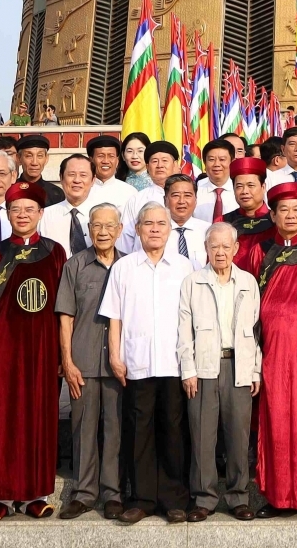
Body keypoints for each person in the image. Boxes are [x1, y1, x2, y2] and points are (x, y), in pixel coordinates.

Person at [0, 183, 67, 520]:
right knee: (2, 421)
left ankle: (35, 494)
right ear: (7, 213)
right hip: (3, 353)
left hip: (42, 353)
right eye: (16, 209)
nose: (22, 215)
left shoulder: (55, 253)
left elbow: (63, 309)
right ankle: (1, 496)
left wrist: (61, 357)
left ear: (40, 214)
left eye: (29, 209)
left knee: (40, 421)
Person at [237, 180, 297, 518]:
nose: (290, 215)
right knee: (274, 421)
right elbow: (247, 304)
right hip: (272, 351)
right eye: (284, 210)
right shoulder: (258, 252)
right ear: (273, 215)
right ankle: (276, 496)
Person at [103, 201, 196, 523]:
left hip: (174, 363)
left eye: (161, 224)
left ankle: (174, 499)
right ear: (138, 229)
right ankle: (141, 498)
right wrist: (115, 356)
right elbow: (113, 316)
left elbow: (192, 316)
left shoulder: (184, 266)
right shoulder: (124, 267)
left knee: (173, 429)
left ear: (170, 230)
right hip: (136, 362)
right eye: (148, 224)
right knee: (138, 431)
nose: (155, 229)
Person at [178, 223, 261, 521]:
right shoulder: (193, 282)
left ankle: (239, 496)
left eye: (227, 246)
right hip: (203, 367)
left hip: (238, 365)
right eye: (215, 247)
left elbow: (255, 329)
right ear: (206, 249)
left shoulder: (248, 282)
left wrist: (255, 370)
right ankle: (204, 497)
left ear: (236, 248)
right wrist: (188, 369)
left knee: (238, 435)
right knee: (202, 435)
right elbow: (183, 330)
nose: (221, 252)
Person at [58, 203, 125, 520]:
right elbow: (65, 318)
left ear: (120, 230)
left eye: (109, 226)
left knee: (115, 429)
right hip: (83, 361)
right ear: (89, 230)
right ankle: (84, 493)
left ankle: (112, 493)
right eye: (96, 226)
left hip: (119, 365)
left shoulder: (129, 266)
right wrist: (67, 361)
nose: (102, 232)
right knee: (83, 429)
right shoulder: (75, 266)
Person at [38, 153, 97, 255]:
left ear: (93, 180)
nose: (77, 180)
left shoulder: (101, 215)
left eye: (83, 175)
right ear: (61, 178)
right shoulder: (44, 217)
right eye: (71, 174)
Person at [225, 157, 276, 262]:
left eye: (251, 185)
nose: (245, 191)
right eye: (239, 186)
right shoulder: (224, 222)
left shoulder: (277, 221)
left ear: (263, 187)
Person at [193, 139, 239, 224]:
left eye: (222, 159)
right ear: (205, 163)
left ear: (232, 162)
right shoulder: (194, 190)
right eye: (211, 159)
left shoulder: (241, 190)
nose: (217, 164)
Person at [16, 133, 65, 206]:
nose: (34, 162)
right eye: (29, 156)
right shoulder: (11, 190)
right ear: (19, 158)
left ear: (46, 158)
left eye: (40, 156)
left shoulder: (56, 193)